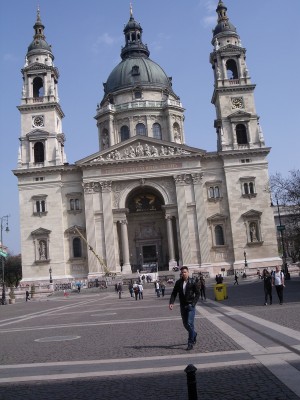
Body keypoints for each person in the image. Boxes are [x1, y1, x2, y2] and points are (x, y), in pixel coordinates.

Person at [169, 266, 200, 351]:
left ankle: (190, 343)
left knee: (189, 323)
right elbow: (174, 293)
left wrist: (193, 304)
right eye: (182, 272)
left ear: (188, 272)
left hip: (190, 306)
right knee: (185, 324)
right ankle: (194, 334)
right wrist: (171, 302)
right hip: (183, 306)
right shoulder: (178, 282)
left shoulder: (193, 281)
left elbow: (197, 294)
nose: (183, 274)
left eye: (185, 272)